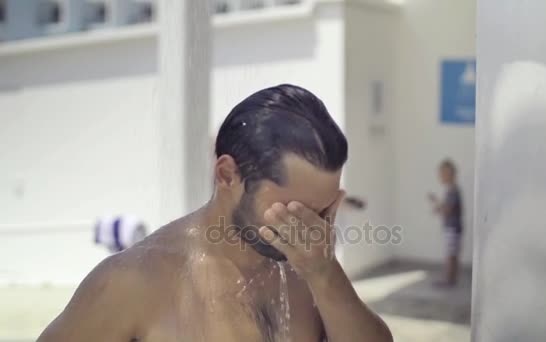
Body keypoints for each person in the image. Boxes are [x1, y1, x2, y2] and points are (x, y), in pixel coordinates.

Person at [38, 84, 392, 342]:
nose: (309, 228)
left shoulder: (308, 265)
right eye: (292, 209)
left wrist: (326, 275)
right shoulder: (134, 281)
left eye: (322, 210)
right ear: (227, 175)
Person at [428, 159, 463, 287]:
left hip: (453, 228)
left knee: (451, 255)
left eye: (443, 173)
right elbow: (447, 208)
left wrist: (437, 203)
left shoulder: (453, 190)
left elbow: (448, 210)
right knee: (452, 254)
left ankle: (449, 280)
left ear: (451, 174)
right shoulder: (451, 190)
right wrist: (439, 206)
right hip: (453, 227)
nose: (441, 176)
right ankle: (451, 279)